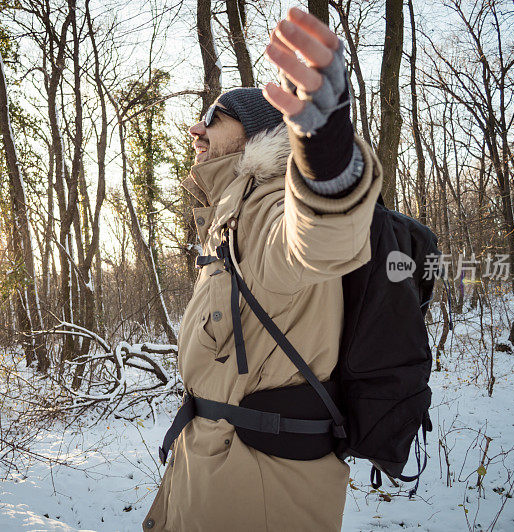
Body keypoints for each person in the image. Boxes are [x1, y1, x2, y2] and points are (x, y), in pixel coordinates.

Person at [142, 7, 383, 531]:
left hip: (259, 488)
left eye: (213, 118)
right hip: (219, 471)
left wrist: (327, 157)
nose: (196, 129)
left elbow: (319, 237)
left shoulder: (268, 202)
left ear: (253, 134)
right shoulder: (228, 211)